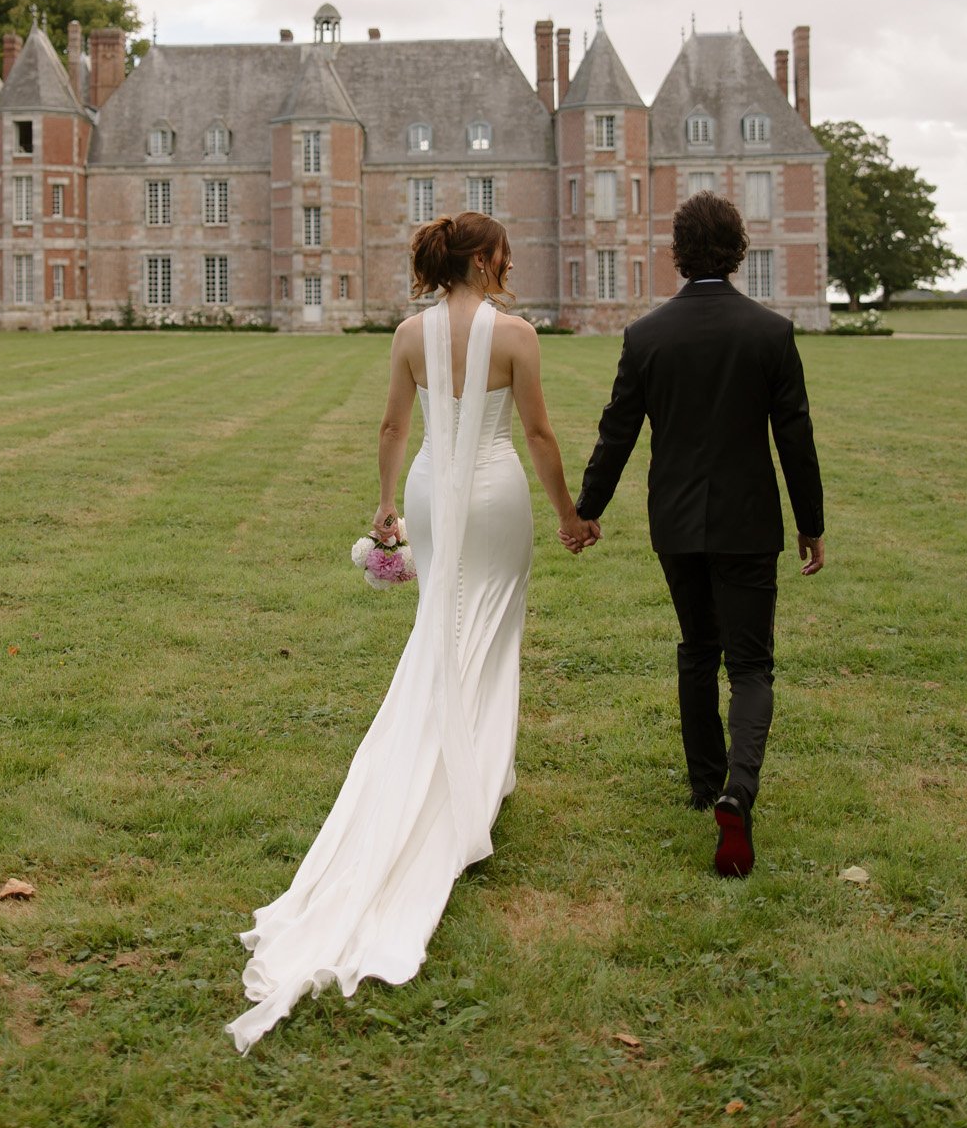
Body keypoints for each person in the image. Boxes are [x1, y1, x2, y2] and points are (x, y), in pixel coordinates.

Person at [227, 212, 589, 1051]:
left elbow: (393, 427)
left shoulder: (407, 334)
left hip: (430, 486)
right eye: (501, 250)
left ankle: (469, 776)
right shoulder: (516, 334)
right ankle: (474, 783)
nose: (509, 260)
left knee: (443, 628)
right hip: (495, 494)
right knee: (488, 631)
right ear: (478, 259)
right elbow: (536, 432)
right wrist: (568, 513)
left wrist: (387, 501)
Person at [570, 192, 825, 879]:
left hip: (675, 519)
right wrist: (811, 524)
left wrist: (585, 508)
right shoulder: (768, 332)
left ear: (676, 252)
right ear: (738, 249)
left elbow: (616, 430)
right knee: (748, 663)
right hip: (747, 520)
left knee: (695, 649)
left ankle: (702, 781)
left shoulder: (647, 335)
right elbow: (793, 437)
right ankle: (737, 789)